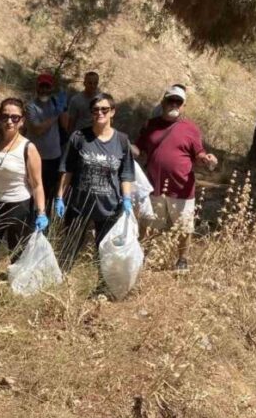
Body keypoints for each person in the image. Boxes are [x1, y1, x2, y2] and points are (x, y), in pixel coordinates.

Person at [136, 85, 218, 273]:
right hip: (153, 186)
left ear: (183, 106)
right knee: (149, 224)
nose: (174, 104)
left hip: (181, 188)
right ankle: (142, 257)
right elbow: (138, 148)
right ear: (163, 102)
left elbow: (199, 153)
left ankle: (182, 260)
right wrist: (123, 147)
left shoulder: (190, 128)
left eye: (178, 102)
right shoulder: (150, 125)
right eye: (170, 100)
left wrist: (207, 159)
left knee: (184, 227)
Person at [54, 93, 136, 275]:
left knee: (106, 250)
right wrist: (60, 196)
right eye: (95, 110)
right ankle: (61, 280)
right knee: (69, 247)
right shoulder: (79, 137)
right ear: (91, 113)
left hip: (109, 206)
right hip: (79, 205)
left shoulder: (122, 141)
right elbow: (67, 169)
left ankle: (103, 285)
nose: (100, 113)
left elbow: (126, 173)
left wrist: (127, 199)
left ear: (112, 112)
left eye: (104, 109)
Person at [0, 98, 48, 284]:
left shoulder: (28, 148)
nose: (9, 121)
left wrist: (41, 212)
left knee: (17, 251)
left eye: (14, 117)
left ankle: (17, 287)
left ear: (22, 121)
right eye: (5, 116)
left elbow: (37, 184)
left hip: (19, 206)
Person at [25, 72, 67, 205]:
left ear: (51, 88)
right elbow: (37, 129)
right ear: (37, 87)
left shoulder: (56, 102)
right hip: (34, 156)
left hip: (53, 156)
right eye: (41, 86)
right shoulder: (30, 106)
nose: (44, 90)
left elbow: (66, 126)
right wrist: (56, 114)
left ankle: (44, 218)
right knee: (31, 189)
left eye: (47, 87)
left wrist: (64, 109)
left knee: (48, 191)